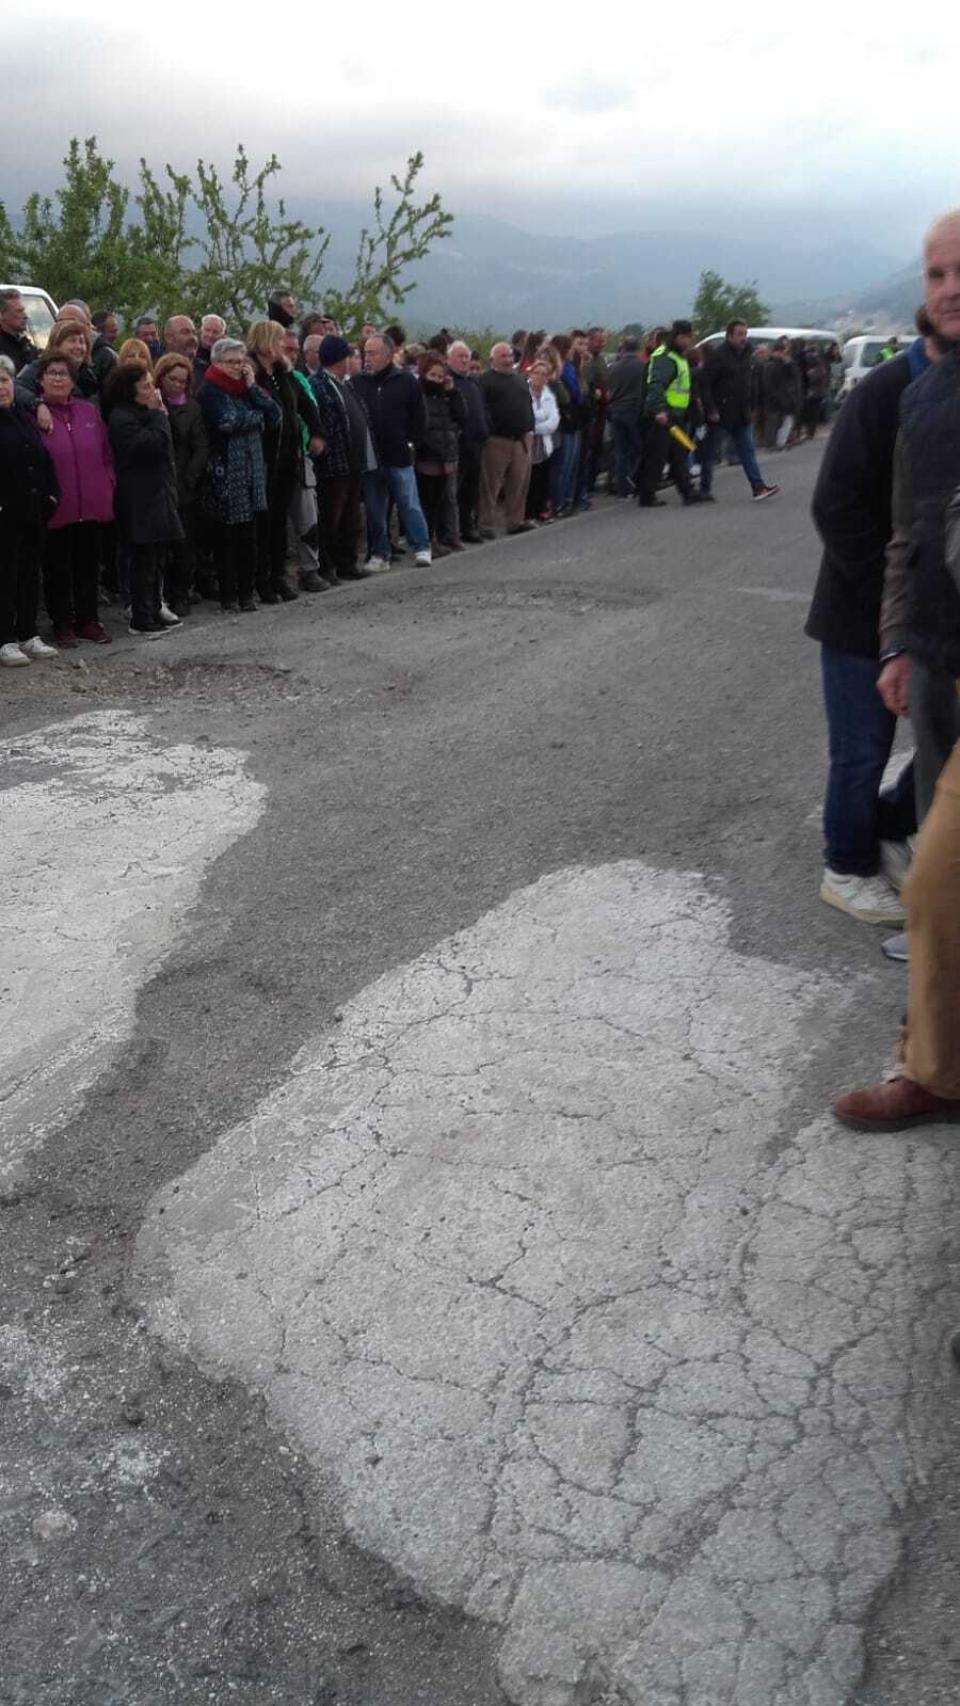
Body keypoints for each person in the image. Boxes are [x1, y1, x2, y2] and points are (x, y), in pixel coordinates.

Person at [832, 213, 960, 1131]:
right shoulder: (919, 399)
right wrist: (894, 643)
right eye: (936, 272)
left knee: (934, 878)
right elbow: (906, 537)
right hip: (944, 670)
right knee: (935, 879)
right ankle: (936, 1067)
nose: (949, 286)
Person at [806, 320, 932, 926]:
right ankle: (847, 867)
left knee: (940, 738)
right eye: (938, 275)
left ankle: (885, 823)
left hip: (927, 611)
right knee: (862, 749)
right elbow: (834, 505)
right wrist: (890, 600)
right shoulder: (884, 390)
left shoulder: (944, 387)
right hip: (860, 610)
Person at [36, 350, 115, 647]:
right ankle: (62, 624)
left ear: (73, 380)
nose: (58, 378)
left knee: (88, 565)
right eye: (52, 373)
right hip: (57, 507)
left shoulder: (88, 412)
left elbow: (106, 454)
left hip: (92, 505)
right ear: (41, 379)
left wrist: (107, 485)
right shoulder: (35, 414)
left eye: (64, 374)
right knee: (57, 569)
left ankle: (89, 620)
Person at [197, 336, 280, 612]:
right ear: (217, 363)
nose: (236, 367)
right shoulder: (209, 390)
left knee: (250, 536)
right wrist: (255, 419)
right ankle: (228, 595)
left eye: (240, 362)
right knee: (227, 539)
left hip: (252, 474)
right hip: (225, 477)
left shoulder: (245, 390)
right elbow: (227, 422)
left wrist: (253, 387)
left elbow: (275, 415)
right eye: (231, 362)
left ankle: (247, 593)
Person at [105, 361, 185, 637]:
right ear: (131, 390)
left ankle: (153, 609)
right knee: (143, 559)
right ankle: (141, 616)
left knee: (158, 556)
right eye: (146, 386)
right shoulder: (121, 417)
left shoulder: (143, 414)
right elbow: (151, 445)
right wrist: (158, 415)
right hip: (137, 496)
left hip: (157, 491)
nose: (153, 391)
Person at [246, 318, 323, 602]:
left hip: (288, 458)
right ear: (267, 341)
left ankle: (277, 575)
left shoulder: (284, 374)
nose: (285, 347)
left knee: (279, 523)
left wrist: (316, 432)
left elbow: (305, 404)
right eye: (279, 341)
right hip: (264, 459)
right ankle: (260, 578)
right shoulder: (252, 374)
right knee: (262, 523)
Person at [350, 332, 433, 570]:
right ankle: (379, 554)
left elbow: (420, 416)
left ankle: (422, 547)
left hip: (399, 455)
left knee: (408, 502)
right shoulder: (357, 383)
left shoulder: (406, 381)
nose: (367, 358)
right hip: (371, 457)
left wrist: (411, 442)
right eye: (365, 353)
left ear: (388, 355)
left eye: (373, 353)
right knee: (375, 509)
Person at [0, 355, 60, 666]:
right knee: (4, 576)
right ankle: (4, 639)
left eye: (5, 380)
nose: (2, 387)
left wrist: (52, 495)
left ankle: (27, 632)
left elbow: (42, 458)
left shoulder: (22, 416)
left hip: (32, 510)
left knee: (28, 574)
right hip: (5, 514)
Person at [309, 334, 370, 580]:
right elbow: (322, 422)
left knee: (350, 517)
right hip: (334, 464)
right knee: (331, 517)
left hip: (352, 461)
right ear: (339, 358)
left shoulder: (344, 383)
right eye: (348, 356)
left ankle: (347, 562)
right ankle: (328, 565)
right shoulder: (319, 384)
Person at [153, 352, 210, 615]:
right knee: (162, 546)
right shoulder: (153, 405)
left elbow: (200, 446)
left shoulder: (193, 407)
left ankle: (181, 593)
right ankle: (160, 595)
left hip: (186, 483)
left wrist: (189, 478)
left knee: (185, 544)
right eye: (172, 380)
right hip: (160, 483)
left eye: (182, 381)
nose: (177, 385)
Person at [699, 322, 780, 503]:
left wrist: (751, 405)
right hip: (721, 413)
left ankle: (758, 487)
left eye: (745, 333)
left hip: (742, 413)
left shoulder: (746, 355)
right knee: (710, 452)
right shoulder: (718, 356)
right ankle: (704, 489)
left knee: (748, 451)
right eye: (739, 334)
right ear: (729, 336)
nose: (743, 338)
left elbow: (748, 382)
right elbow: (704, 384)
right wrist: (711, 409)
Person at [279, 325, 330, 592]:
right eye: (288, 349)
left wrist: (316, 435)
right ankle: (276, 574)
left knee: (308, 514)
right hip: (275, 460)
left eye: (295, 350)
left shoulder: (297, 378)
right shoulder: (266, 378)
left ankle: (310, 570)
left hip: (301, 456)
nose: (293, 354)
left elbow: (312, 411)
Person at [640, 320, 701, 507]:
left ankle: (688, 492)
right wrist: (659, 410)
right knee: (657, 457)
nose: (690, 341)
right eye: (688, 337)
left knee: (679, 454)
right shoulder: (665, 357)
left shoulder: (677, 356)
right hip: (663, 416)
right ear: (679, 336)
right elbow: (656, 385)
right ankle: (647, 496)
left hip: (675, 415)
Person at [477, 342, 535, 536]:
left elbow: (527, 403)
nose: (508, 359)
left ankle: (515, 520)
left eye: (510, 355)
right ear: (492, 359)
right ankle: (485, 523)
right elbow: (481, 410)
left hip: (521, 440)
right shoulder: (484, 381)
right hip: (497, 440)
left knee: (519, 484)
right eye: (503, 356)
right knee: (490, 485)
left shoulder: (519, 379)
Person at [414, 350, 466, 556]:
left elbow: (461, 415)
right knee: (425, 501)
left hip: (445, 456)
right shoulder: (419, 396)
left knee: (438, 501)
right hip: (427, 457)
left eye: (439, 376)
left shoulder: (444, 396)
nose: (436, 380)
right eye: (432, 376)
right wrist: (430, 447)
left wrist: (453, 392)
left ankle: (437, 537)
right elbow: (420, 427)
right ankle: (425, 540)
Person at [446, 340, 490, 542]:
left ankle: (468, 527)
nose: (464, 360)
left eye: (466, 356)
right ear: (449, 359)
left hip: (477, 443)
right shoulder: (447, 382)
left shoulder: (473, 382)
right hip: (458, 445)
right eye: (460, 356)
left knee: (471, 490)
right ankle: (452, 531)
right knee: (455, 492)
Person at [17, 319, 101, 411]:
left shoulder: (89, 377)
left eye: (82, 342)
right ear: (57, 345)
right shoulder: (40, 367)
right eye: (72, 341)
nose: (78, 347)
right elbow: (17, 388)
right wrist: (37, 404)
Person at [547, 334, 583, 517]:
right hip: (566, 420)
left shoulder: (570, 368)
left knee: (570, 464)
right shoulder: (560, 371)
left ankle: (566, 500)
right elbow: (572, 395)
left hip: (574, 420)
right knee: (562, 465)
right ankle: (558, 503)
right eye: (570, 349)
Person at [605, 335, 646, 496]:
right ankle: (634, 480)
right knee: (638, 449)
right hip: (633, 410)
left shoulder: (613, 367)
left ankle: (622, 487)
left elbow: (609, 389)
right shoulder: (641, 366)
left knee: (621, 451)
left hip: (616, 411)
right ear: (637, 348)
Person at [525, 357, 560, 521]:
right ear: (530, 374)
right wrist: (539, 420)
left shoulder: (548, 395)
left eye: (544, 374)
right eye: (537, 373)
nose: (540, 376)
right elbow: (527, 418)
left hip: (543, 443)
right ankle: (527, 513)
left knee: (542, 478)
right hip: (527, 443)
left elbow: (553, 422)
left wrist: (536, 426)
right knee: (528, 480)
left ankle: (541, 510)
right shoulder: (524, 392)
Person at [762, 339, 801, 449]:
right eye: (779, 351)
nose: (782, 354)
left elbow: (794, 376)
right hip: (775, 398)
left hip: (787, 397)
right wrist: (774, 395)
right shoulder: (770, 365)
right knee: (773, 421)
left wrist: (788, 363)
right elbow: (768, 383)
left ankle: (781, 442)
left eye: (783, 351)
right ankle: (771, 443)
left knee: (787, 420)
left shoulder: (788, 364)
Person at [0, 290, 38, 373]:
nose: (25, 316)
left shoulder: (25, 344)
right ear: (2, 315)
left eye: (23, 310)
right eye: (19, 311)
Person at [195, 315, 226, 381]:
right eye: (207, 330)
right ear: (201, 331)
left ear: (222, 335)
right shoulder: (191, 350)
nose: (210, 335)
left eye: (215, 332)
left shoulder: (227, 355)